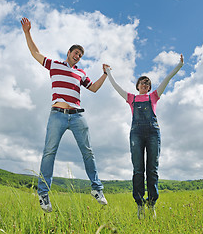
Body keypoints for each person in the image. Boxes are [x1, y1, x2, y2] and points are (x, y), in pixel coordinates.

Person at [21, 17, 108, 213]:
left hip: (77, 116)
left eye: (80, 55)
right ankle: (43, 194)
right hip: (57, 115)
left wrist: (105, 75)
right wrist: (27, 32)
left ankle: (97, 189)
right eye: (75, 53)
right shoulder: (54, 65)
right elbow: (36, 53)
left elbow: (93, 88)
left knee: (88, 152)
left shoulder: (81, 73)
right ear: (68, 53)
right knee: (49, 152)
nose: (77, 56)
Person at [104, 54, 184, 219]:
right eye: (142, 82)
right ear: (137, 85)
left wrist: (179, 66)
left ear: (149, 87)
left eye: (147, 83)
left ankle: (152, 203)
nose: (145, 84)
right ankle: (140, 205)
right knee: (138, 170)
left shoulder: (154, 96)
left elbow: (168, 79)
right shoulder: (131, 98)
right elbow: (115, 86)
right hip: (136, 134)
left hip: (153, 133)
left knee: (152, 170)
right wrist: (108, 72)